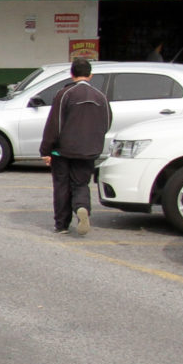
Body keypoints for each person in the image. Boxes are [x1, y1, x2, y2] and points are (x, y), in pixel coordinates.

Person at [42, 58, 112, 235]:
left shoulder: (65, 94)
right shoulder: (100, 96)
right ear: (90, 75)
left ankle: (62, 225)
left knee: (61, 185)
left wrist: (46, 150)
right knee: (81, 184)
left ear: (71, 74)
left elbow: (54, 124)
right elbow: (107, 122)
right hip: (89, 150)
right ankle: (82, 208)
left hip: (63, 150)